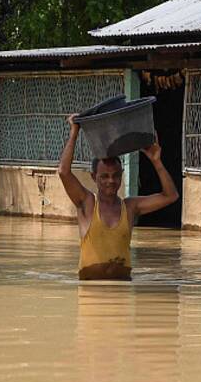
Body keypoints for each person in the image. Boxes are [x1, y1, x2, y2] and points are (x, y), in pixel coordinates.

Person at [58, 114, 179, 280]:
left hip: (121, 288)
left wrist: (156, 161)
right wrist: (74, 132)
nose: (111, 181)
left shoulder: (130, 207)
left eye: (116, 176)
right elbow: (63, 172)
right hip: (90, 292)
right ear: (94, 177)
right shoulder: (87, 203)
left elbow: (171, 196)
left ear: (122, 175)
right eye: (104, 176)